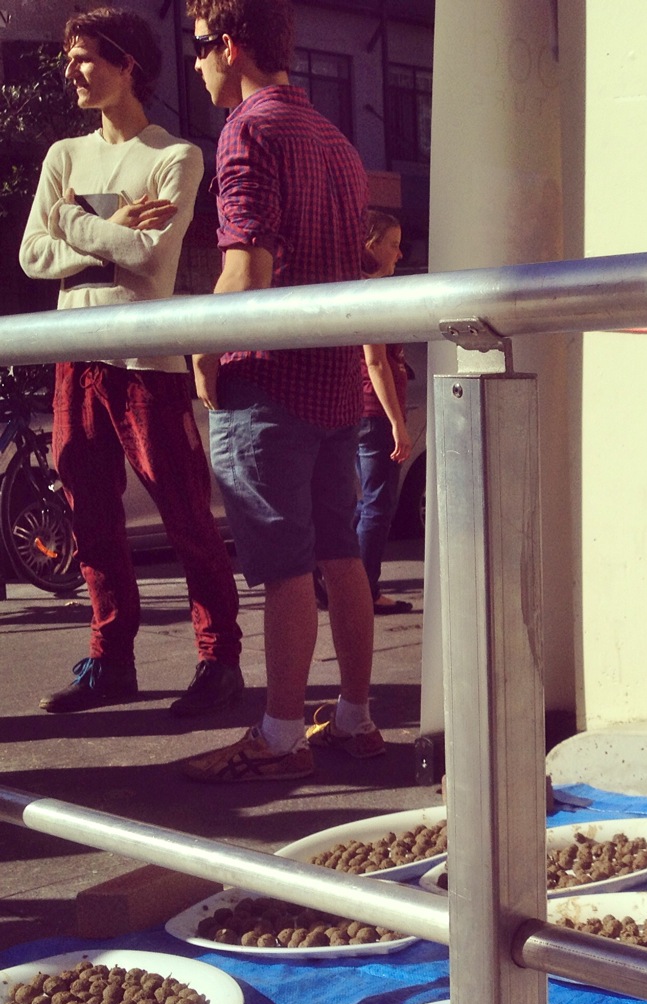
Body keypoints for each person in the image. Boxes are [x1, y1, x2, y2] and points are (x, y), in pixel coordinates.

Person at [19, 6, 243, 717]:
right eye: (71, 59)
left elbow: (148, 257)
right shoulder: (64, 155)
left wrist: (74, 222)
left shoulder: (175, 156)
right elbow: (32, 256)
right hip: (73, 354)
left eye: (87, 58)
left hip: (148, 360)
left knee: (185, 516)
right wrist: (108, 228)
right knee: (90, 519)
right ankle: (111, 660)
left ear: (127, 63)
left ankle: (219, 661)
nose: (73, 72)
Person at [179, 0, 382, 783]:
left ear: (230, 46)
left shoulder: (246, 130)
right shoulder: (336, 140)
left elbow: (248, 271)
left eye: (201, 48)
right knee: (341, 555)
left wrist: (200, 344)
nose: (197, 65)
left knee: (285, 566)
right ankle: (357, 718)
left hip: (268, 378)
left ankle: (279, 732)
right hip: (335, 381)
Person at [356, 210, 413, 615]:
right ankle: (365, 590)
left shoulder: (351, 288)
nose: (399, 255)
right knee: (378, 504)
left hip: (356, 407)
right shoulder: (369, 294)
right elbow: (375, 362)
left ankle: (352, 586)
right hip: (374, 411)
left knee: (363, 503)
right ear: (371, 245)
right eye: (392, 244)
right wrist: (397, 423)